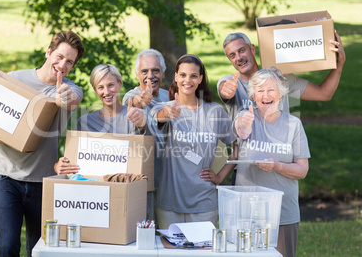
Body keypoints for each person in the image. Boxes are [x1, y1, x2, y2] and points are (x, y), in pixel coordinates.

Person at [0, 31, 84, 257]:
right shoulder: (14, 79)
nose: (62, 65)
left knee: (39, 249)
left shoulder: (69, 89)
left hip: (43, 182)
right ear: (48, 52)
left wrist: (66, 97)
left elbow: (73, 99)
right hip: (5, 177)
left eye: (70, 62)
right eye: (60, 56)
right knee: (6, 247)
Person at [217, 31, 345, 184]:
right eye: (232, 55)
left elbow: (324, 94)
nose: (238, 58)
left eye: (241, 50)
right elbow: (224, 90)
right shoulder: (230, 83)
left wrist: (339, 65)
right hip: (248, 174)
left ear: (252, 49)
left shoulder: (280, 78)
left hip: (282, 170)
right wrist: (226, 90)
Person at [150, 54, 236, 229]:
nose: (187, 80)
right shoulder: (163, 108)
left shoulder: (215, 112)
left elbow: (238, 146)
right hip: (169, 205)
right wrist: (168, 114)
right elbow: (159, 118)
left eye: (193, 76)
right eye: (182, 75)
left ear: (200, 79)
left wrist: (219, 176)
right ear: (175, 76)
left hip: (204, 204)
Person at [234, 67, 310, 257]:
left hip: (283, 214)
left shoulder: (294, 125)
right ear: (253, 95)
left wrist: (277, 166)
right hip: (247, 214)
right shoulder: (246, 116)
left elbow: (302, 170)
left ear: (281, 93)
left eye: (270, 90)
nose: (266, 95)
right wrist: (244, 124)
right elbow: (241, 131)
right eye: (260, 91)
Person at [54, 63, 147, 175]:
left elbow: (144, 154)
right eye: (101, 87)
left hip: (125, 187)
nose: (106, 92)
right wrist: (58, 166)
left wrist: (142, 121)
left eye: (111, 85)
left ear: (120, 84)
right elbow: (73, 160)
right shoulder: (85, 122)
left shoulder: (134, 116)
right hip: (94, 186)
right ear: (95, 89)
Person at [122, 49, 170, 222]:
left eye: (155, 70)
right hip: (144, 181)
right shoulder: (131, 96)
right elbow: (133, 103)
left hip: (168, 181)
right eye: (144, 71)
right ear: (137, 75)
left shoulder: (168, 96)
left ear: (163, 73)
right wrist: (140, 102)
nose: (150, 76)